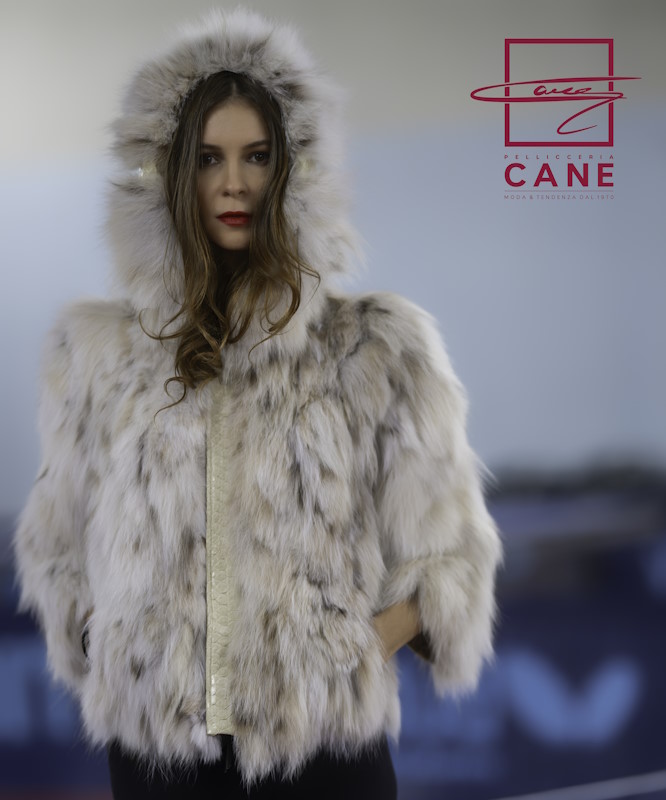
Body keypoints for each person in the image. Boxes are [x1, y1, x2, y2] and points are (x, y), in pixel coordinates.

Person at [13, 8, 502, 799]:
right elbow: (56, 547)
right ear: (172, 172)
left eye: (257, 156)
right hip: (161, 758)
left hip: (322, 751)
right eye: (208, 158)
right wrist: (119, 643)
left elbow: (452, 562)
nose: (233, 182)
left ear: (293, 170)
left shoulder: (375, 345)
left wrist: (344, 656)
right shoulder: (96, 352)